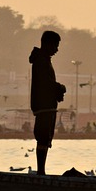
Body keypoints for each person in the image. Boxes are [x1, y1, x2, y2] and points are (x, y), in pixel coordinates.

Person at [29, 30, 66, 174]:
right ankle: (41, 172)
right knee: (43, 139)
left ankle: (41, 171)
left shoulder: (43, 60)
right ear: (47, 44)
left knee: (45, 140)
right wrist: (60, 88)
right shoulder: (41, 61)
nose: (57, 49)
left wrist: (57, 90)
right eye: (55, 45)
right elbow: (46, 83)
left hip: (47, 106)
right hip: (44, 106)